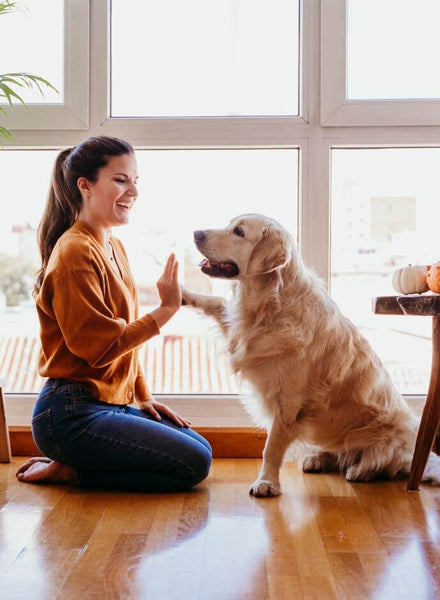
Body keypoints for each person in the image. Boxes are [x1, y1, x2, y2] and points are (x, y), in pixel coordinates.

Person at [15, 136, 212, 492]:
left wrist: (143, 396)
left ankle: (75, 465)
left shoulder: (112, 245)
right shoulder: (74, 253)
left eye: (136, 180)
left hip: (107, 403)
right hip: (69, 413)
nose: (133, 191)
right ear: (85, 186)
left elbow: (123, 342)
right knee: (194, 464)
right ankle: (70, 471)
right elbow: (100, 348)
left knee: (200, 448)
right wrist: (167, 309)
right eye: (121, 180)